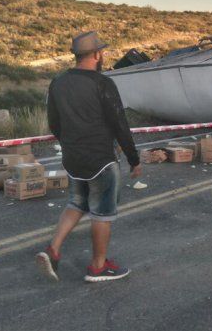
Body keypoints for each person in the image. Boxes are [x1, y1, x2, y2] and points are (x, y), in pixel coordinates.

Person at [36, 31, 141, 283]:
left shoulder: (58, 82)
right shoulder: (102, 83)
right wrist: (134, 159)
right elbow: (119, 123)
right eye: (101, 52)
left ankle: (54, 249)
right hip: (100, 160)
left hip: (73, 159)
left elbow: (54, 123)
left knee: (77, 203)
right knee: (102, 213)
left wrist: (71, 145)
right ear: (97, 54)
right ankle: (98, 266)